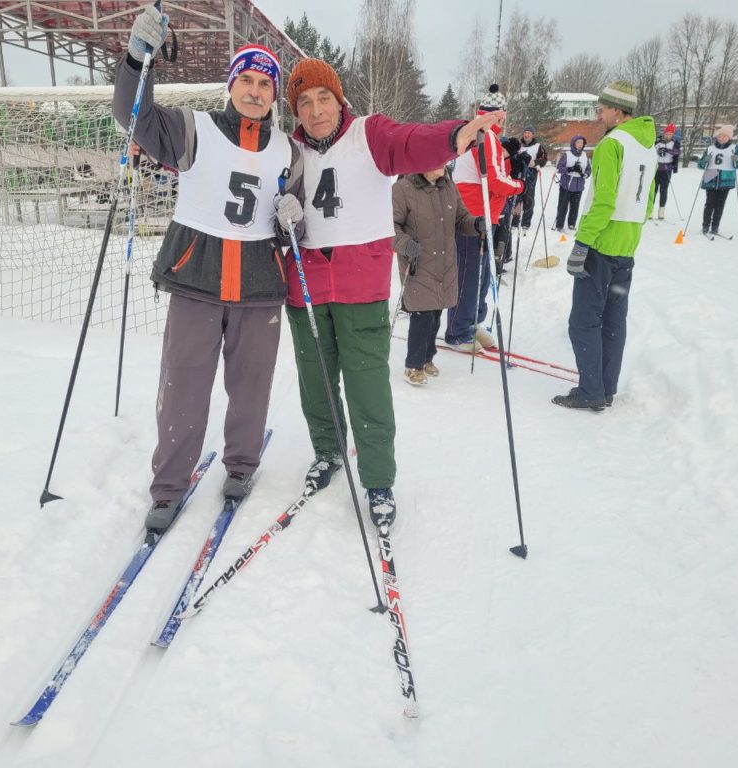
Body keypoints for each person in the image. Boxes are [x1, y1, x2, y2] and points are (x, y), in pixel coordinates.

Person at [279, 58, 505, 527]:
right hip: (305, 285)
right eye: (304, 101)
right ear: (295, 109)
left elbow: (410, 143)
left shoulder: (369, 134)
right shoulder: (286, 151)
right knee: (316, 380)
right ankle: (328, 450)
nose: (315, 109)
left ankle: (378, 479)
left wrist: (454, 135)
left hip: (360, 284)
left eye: (323, 98)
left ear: (338, 100)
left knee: (368, 387)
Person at [113, 5, 304, 533]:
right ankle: (169, 486)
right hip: (195, 280)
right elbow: (134, 116)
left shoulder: (290, 150)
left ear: (273, 95)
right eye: (246, 79)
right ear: (230, 84)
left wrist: (295, 217)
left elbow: (299, 229)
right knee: (185, 386)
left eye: (265, 84)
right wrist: (136, 60)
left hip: (259, 288)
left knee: (252, 386)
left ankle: (241, 465)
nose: (255, 91)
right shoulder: (192, 128)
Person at [554, 80, 657, 412]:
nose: (598, 114)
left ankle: (590, 391)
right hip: (626, 247)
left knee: (584, 321)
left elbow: (604, 200)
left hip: (600, 245)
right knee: (614, 321)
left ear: (617, 110)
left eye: (602, 108)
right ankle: (605, 388)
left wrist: (582, 243)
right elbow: (650, 199)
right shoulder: (648, 145)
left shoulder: (613, 144)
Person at [447, 84, 524, 353]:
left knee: (482, 273)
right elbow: (495, 179)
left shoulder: (486, 134)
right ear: (498, 113)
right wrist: (518, 186)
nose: (503, 119)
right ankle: (458, 330)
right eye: (502, 114)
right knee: (470, 274)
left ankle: (473, 321)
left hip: (484, 214)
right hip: (473, 215)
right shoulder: (485, 135)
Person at [392, 166, 483, 385]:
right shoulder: (403, 188)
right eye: (437, 162)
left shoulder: (448, 186)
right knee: (422, 315)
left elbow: (461, 219)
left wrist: (477, 224)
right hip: (418, 261)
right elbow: (389, 226)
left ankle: (427, 358)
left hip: (444, 262)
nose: (443, 166)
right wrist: (405, 244)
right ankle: (413, 365)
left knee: (435, 314)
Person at [696, 124, 738, 237]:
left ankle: (715, 226)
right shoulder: (710, 148)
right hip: (711, 177)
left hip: (726, 178)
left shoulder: (734, 148)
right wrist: (704, 161)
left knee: (720, 205)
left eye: (724, 136)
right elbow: (700, 165)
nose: (721, 138)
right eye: (720, 136)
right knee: (709, 204)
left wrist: (737, 160)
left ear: (729, 138)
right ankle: (705, 226)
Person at [554, 135, 591, 232]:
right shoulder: (567, 154)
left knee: (575, 207)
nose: (580, 145)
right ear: (573, 143)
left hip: (578, 185)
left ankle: (571, 223)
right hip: (566, 185)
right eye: (578, 142)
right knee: (563, 206)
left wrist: (584, 174)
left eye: (581, 143)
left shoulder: (584, 155)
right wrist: (570, 169)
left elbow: (588, 169)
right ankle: (559, 224)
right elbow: (559, 168)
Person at [517, 125, 548, 231]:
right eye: (525, 132)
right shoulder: (519, 145)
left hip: (531, 174)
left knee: (528, 198)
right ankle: (515, 220)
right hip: (518, 173)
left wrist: (534, 163)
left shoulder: (538, 146)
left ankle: (526, 222)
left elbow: (544, 160)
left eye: (529, 133)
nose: (526, 135)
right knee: (516, 197)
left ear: (533, 135)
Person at [654, 123, 680, 219]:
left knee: (663, 190)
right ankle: (649, 210)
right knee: (653, 190)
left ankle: (661, 212)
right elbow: (652, 150)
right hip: (656, 169)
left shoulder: (674, 143)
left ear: (672, 134)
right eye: (667, 133)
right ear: (664, 133)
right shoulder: (658, 141)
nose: (668, 135)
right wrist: (659, 150)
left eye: (670, 134)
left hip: (667, 170)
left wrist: (666, 150)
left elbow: (676, 152)